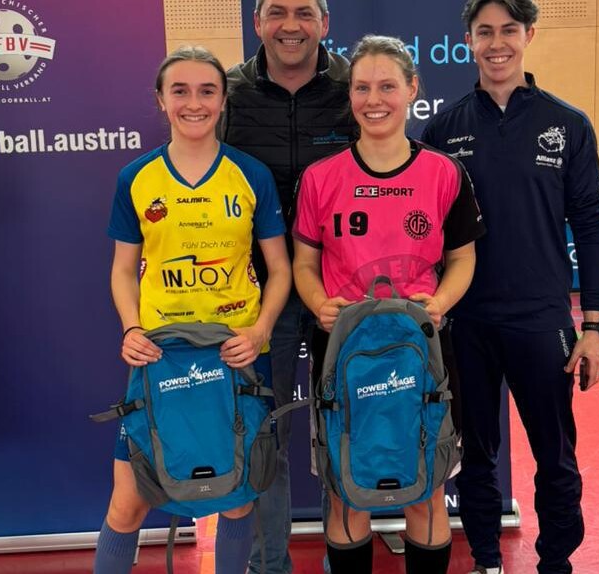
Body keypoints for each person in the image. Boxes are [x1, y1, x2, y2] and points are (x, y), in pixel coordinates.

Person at [420, 1, 599, 572]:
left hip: (541, 320)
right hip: (467, 323)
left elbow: (591, 223)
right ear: (468, 40)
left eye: (508, 30)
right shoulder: (443, 129)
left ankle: (556, 562)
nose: (497, 43)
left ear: (529, 34)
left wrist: (594, 325)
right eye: (485, 32)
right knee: (476, 457)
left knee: (556, 458)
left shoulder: (567, 124)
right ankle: (485, 560)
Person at [292, 34, 485, 574]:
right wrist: (319, 303)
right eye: (361, 88)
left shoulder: (444, 173)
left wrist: (439, 302)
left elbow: (463, 258)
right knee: (345, 489)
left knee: (424, 487)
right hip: (342, 352)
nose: (373, 100)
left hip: (421, 351)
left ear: (412, 89)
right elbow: (304, 264)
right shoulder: (320, 178)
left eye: (386, 86)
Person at [95, 45, 291, 574]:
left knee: (238, 498)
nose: (194, 103)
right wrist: (131, 328)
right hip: (161, 358)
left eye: (207, 91)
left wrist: (260, 330)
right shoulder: (136, 177)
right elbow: (122, 270)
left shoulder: (250, 174)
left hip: (235, 357)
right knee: (128, 502)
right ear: (161, 100)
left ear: (223, 100)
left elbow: (280, 268)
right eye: (179, 91)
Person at [223, 1, 357, 570]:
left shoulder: (355, 88)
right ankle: (267, 565)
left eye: (305, 12)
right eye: (276, 12)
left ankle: (343, 561)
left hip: (344, 292)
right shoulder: (229, 93)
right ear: (257, 23)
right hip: (260, 297)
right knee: (263, 436)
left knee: (346, 429)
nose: (291, 25)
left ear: (325, 23)